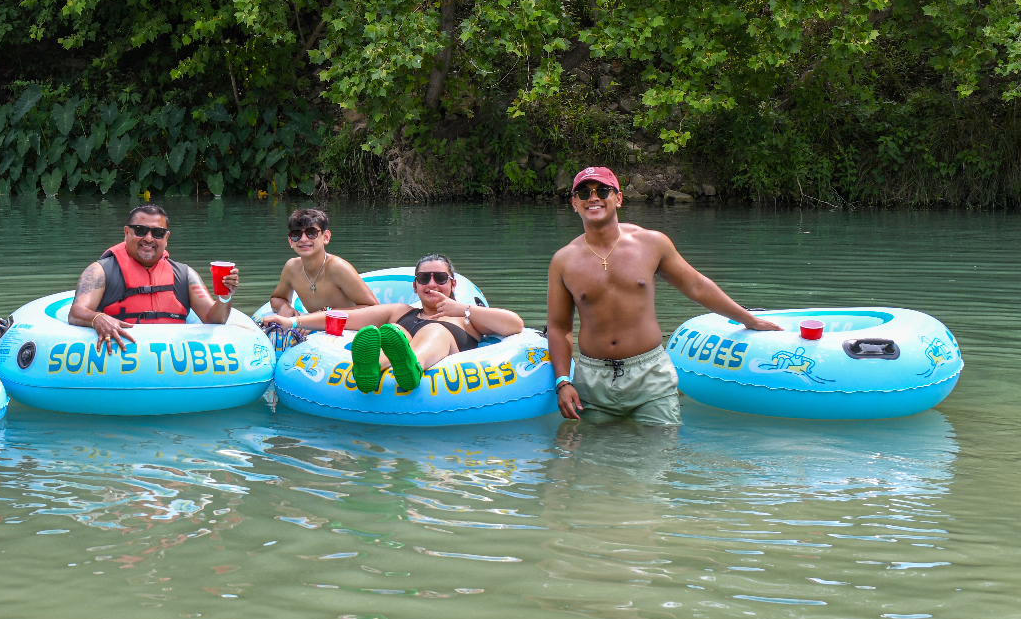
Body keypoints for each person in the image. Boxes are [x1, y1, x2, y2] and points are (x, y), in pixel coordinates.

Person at [548, 166, 781, 426]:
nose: (593, 198)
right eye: (584, 193)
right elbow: (558, 327)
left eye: (602, 190)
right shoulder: (563, 261)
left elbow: (696, 286)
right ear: (574, 203)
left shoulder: (651, 243)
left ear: (619, 198)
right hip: (592, 379)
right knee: (594, 462)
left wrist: (749, 319)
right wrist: (563, 382)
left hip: (650, 374)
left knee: (660, 456)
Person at [284, 254, 524, 392]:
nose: (431, 284)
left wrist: (463, 309)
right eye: (423, 278)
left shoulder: (468, 317)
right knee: (394, 331)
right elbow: (343, 318)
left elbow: (515, 324)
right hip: (400, 334)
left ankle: (413, 367)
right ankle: (371, 368)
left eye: (440, 278)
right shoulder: (400, 311)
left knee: (434, 331)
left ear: (453, 285)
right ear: (415, 285)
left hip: (442, 342)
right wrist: (292, 322)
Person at [68, 204, 240, 353]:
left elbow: (214, 320)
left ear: (166, 238)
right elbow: (76, 312)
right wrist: (98, 318)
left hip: (175, 360)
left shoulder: (185, 275)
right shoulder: (100, 271)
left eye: (158, 233)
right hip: (118, 361)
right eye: (140, 230)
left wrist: (225, 297)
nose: (148, 238)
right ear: (126, 232)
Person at [263, 207, 379, 320]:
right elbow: (276, 298)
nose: (303, 239)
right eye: (296, 234)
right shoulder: (292, 268)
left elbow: (375, 310)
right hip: (318, 332)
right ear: (290, 241)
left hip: (348, 331)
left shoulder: (337, 268)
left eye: (311, 233)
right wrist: (284, 306)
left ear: (326, 237)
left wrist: (324, 316)